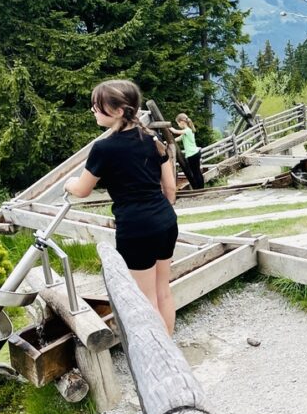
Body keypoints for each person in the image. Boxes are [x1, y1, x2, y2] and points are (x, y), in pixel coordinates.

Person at [66, 80, 178, 333]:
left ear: (117, 111)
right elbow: (170, 188)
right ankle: (169, 342)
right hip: (166, 221)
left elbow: (82, 190)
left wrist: (68, 184)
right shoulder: (152, 139)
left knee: (146, 298)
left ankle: (163, 359)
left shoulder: (104, 148)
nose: (93, 110)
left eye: (97, 106)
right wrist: (161, 212)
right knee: (163, 291)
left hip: (136, 228)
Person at [168, 113, 204, 190]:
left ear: (182, 122)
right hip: (194, 154)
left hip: (192, 155)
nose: (178, 125)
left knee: (195, 172)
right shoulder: (186, 132)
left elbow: (175, 131)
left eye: (178, 123)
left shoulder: (187, 130)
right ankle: (200, 188)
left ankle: (199, 188)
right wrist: (167, 141)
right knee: (196, 171)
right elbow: (177, 139)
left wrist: (168, 127)